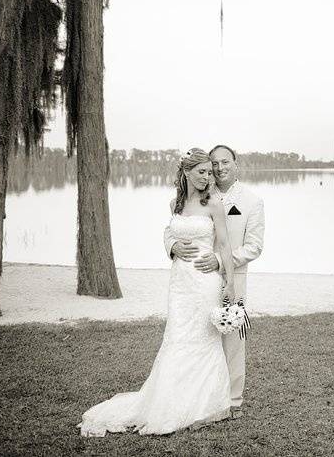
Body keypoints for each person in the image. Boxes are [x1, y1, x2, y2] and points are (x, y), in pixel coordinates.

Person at [77, 148, 237, 437]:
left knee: (203, 338)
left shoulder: (214, 202)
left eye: (209, 172)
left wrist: (229, 281)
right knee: (177, 336)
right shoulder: (174, 204)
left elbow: (224, 245)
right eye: (201, 171)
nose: (207, 176)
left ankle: (204, 404)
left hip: (205, 281)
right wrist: (173, 247)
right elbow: (170, 234)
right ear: (186, 172)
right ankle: (169, 400)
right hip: (180, 282)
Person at [164, 144, 264, 418]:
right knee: (199, 338)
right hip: (191, 280)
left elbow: (254, 246)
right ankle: (197, 398)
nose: (217, 170)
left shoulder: (252, 201)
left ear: (235, 163)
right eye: (213, 165)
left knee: (232, 340)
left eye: (224, 163)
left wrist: (220, 262)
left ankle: (233, 402)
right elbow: (172, 226)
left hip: (231, 277)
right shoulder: (199, 193)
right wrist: (172, 245)